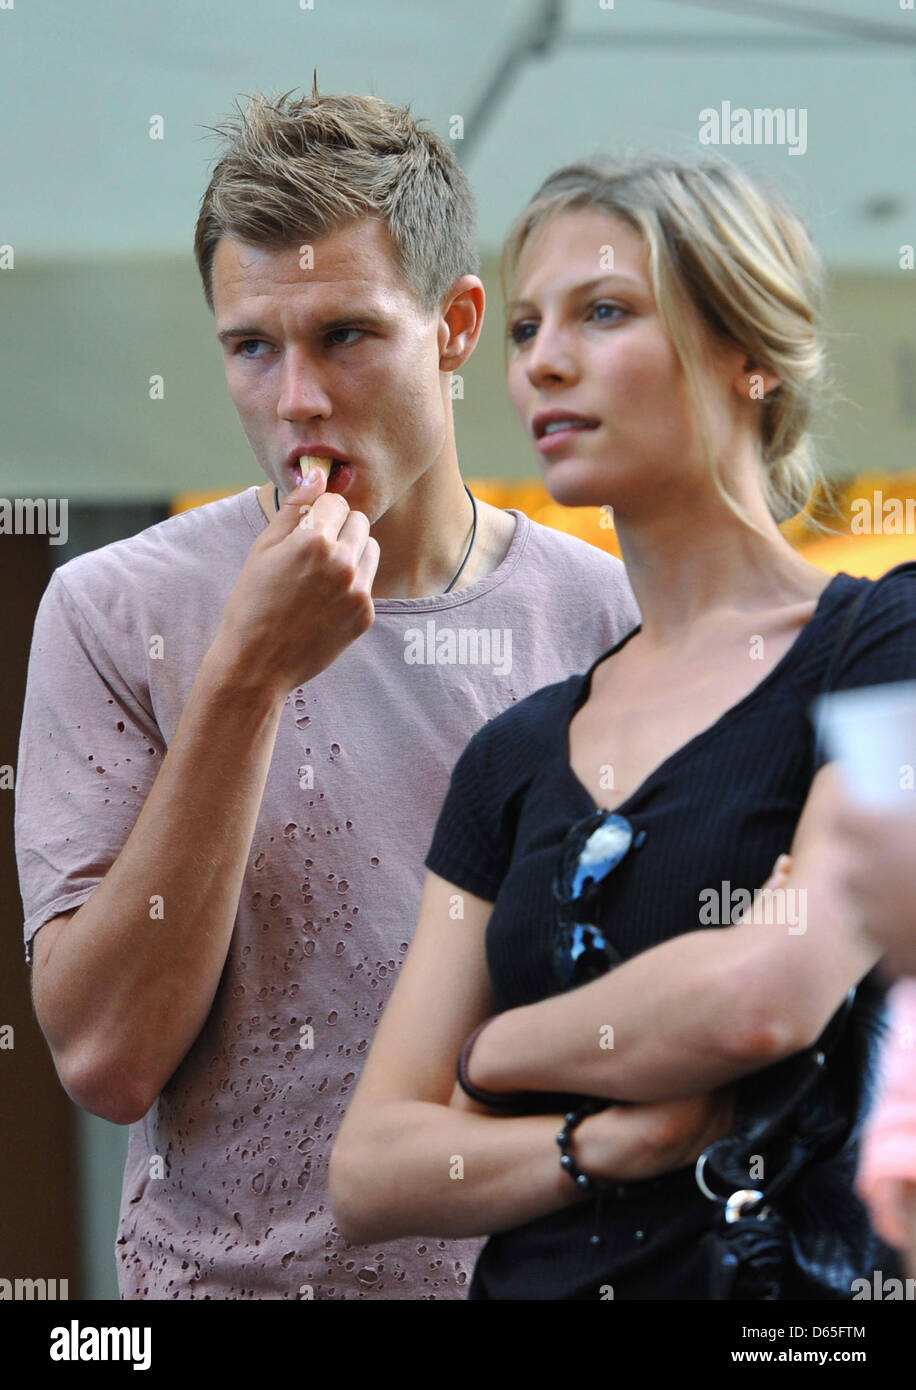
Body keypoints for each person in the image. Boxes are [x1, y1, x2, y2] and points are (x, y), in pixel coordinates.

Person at [13, 89, 643, 1300]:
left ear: (458, 326)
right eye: (251, 346)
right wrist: (246, 676)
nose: (295, 397)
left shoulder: (601, 616)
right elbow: (103, 1061)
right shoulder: (109, 611)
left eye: (345, 336)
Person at [329, 153, 916, 1299]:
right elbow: (370, 1167)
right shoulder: (515, 751)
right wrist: (587, 1144)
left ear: (749, 354)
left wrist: (491, 1052)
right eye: (529, 325)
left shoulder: (886, 641)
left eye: (605, 312)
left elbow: (764, 995)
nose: (543, 359)